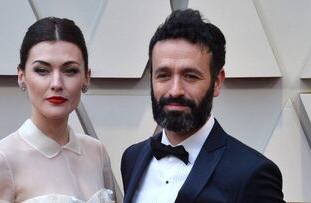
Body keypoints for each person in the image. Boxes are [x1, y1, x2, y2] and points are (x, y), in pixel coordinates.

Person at [121, 8, 285, 203]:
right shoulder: (132, 158)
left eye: (190, 76)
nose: (175, 90)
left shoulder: (252, 173)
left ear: (217, 82)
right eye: (163, 75)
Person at [0, 17, 117, 203]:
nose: (56, 84)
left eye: (70, 71)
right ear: (21, 76)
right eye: (42, 70)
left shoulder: (96, 151)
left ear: (86, 77)